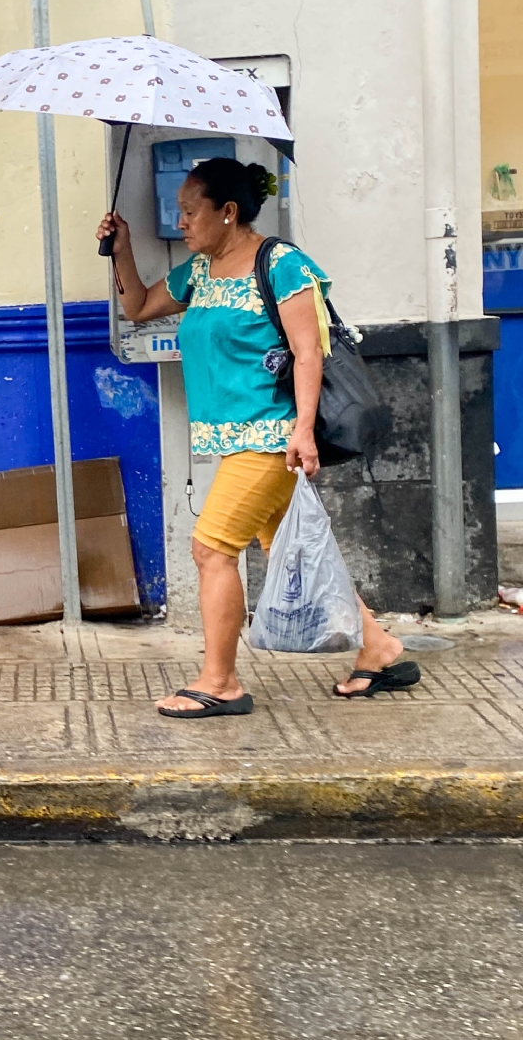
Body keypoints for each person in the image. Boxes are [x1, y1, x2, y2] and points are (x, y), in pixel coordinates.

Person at [102, 157, 420, 718]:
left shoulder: (282, 265)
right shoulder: (200, 272)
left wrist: (303, 431)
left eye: (190, 212)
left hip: (273, 438)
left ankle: (219, 681)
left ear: (228, 212)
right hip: (238, 437)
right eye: (179, 213)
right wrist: (121, 247)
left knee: (211, 549)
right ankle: (380, 648)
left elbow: (307, 352)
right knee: (288, 549)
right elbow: (138, 307)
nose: (182, 223)